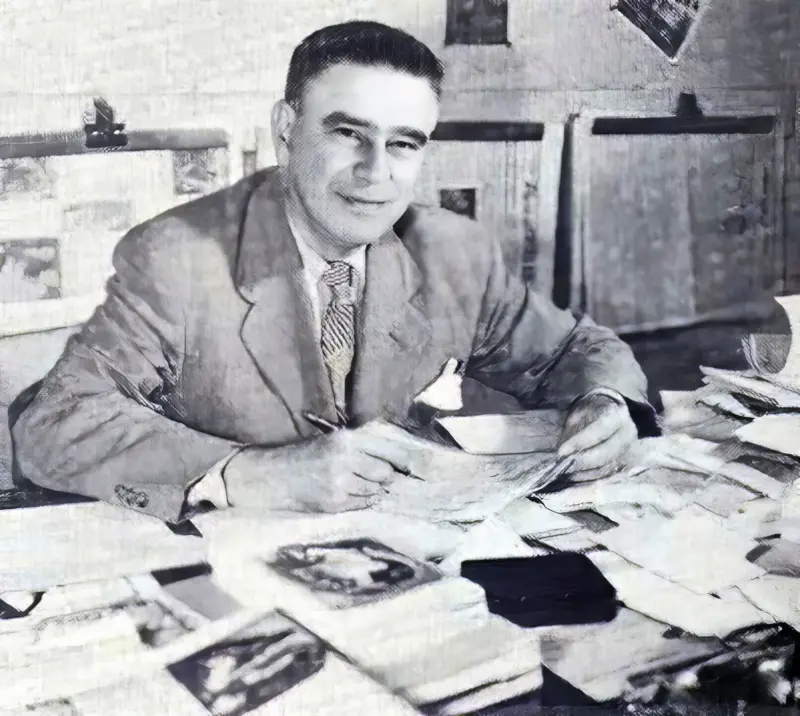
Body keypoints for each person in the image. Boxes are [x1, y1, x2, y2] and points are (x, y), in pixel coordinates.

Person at [12, 21, 657, 525]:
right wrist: (245, 473)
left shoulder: (454, 252)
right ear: (286, 132)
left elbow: (576, 350)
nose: (377, 172)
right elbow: (54, 423)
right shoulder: (177, 256)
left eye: (403, 143)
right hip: (233, 570)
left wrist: (604, 404)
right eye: (350, 134)